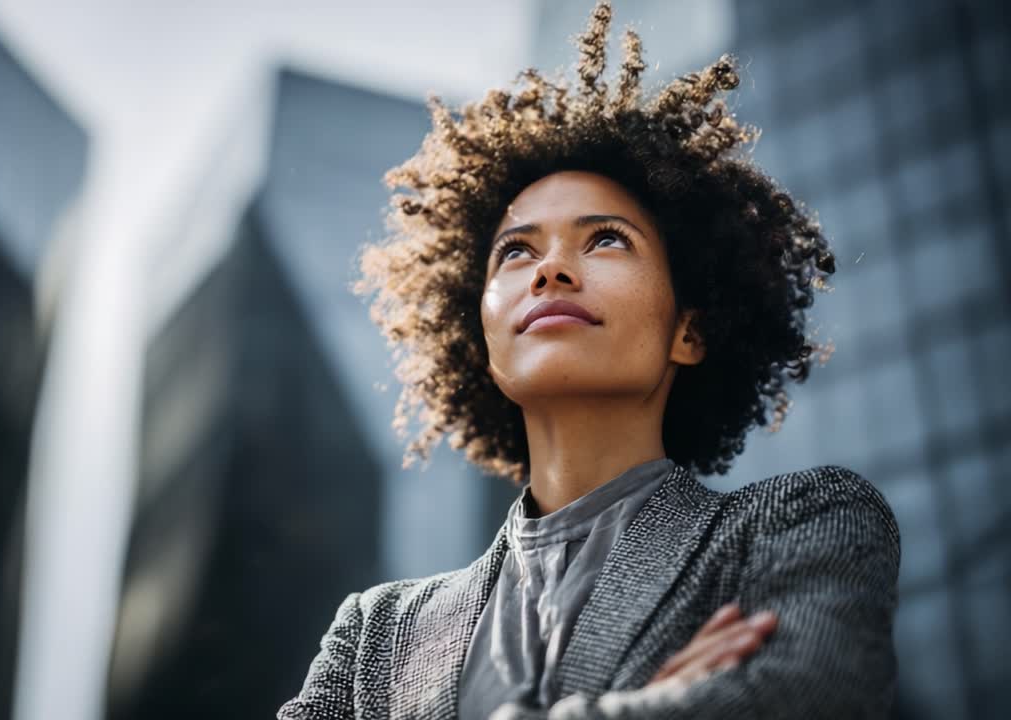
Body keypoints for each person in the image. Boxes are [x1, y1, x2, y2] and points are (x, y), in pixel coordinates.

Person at [277, 1, 900, 718]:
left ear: (689, 331)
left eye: (605, 240)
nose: (549, 272)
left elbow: (805, 697)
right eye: (516, 251)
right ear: (482, 342)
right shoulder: (374, 634)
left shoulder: (801, 522)